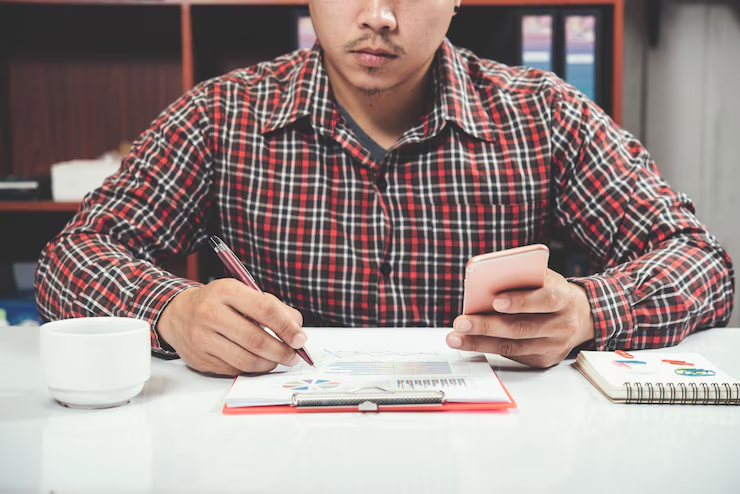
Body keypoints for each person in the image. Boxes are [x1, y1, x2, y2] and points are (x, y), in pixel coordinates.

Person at [35, 0, 734, 376]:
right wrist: (173, 310)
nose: (379, 16)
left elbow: (699, 260)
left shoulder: (543, 114)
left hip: (501, 460)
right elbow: (73, 257)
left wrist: (588, 310)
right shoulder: (224, 115)